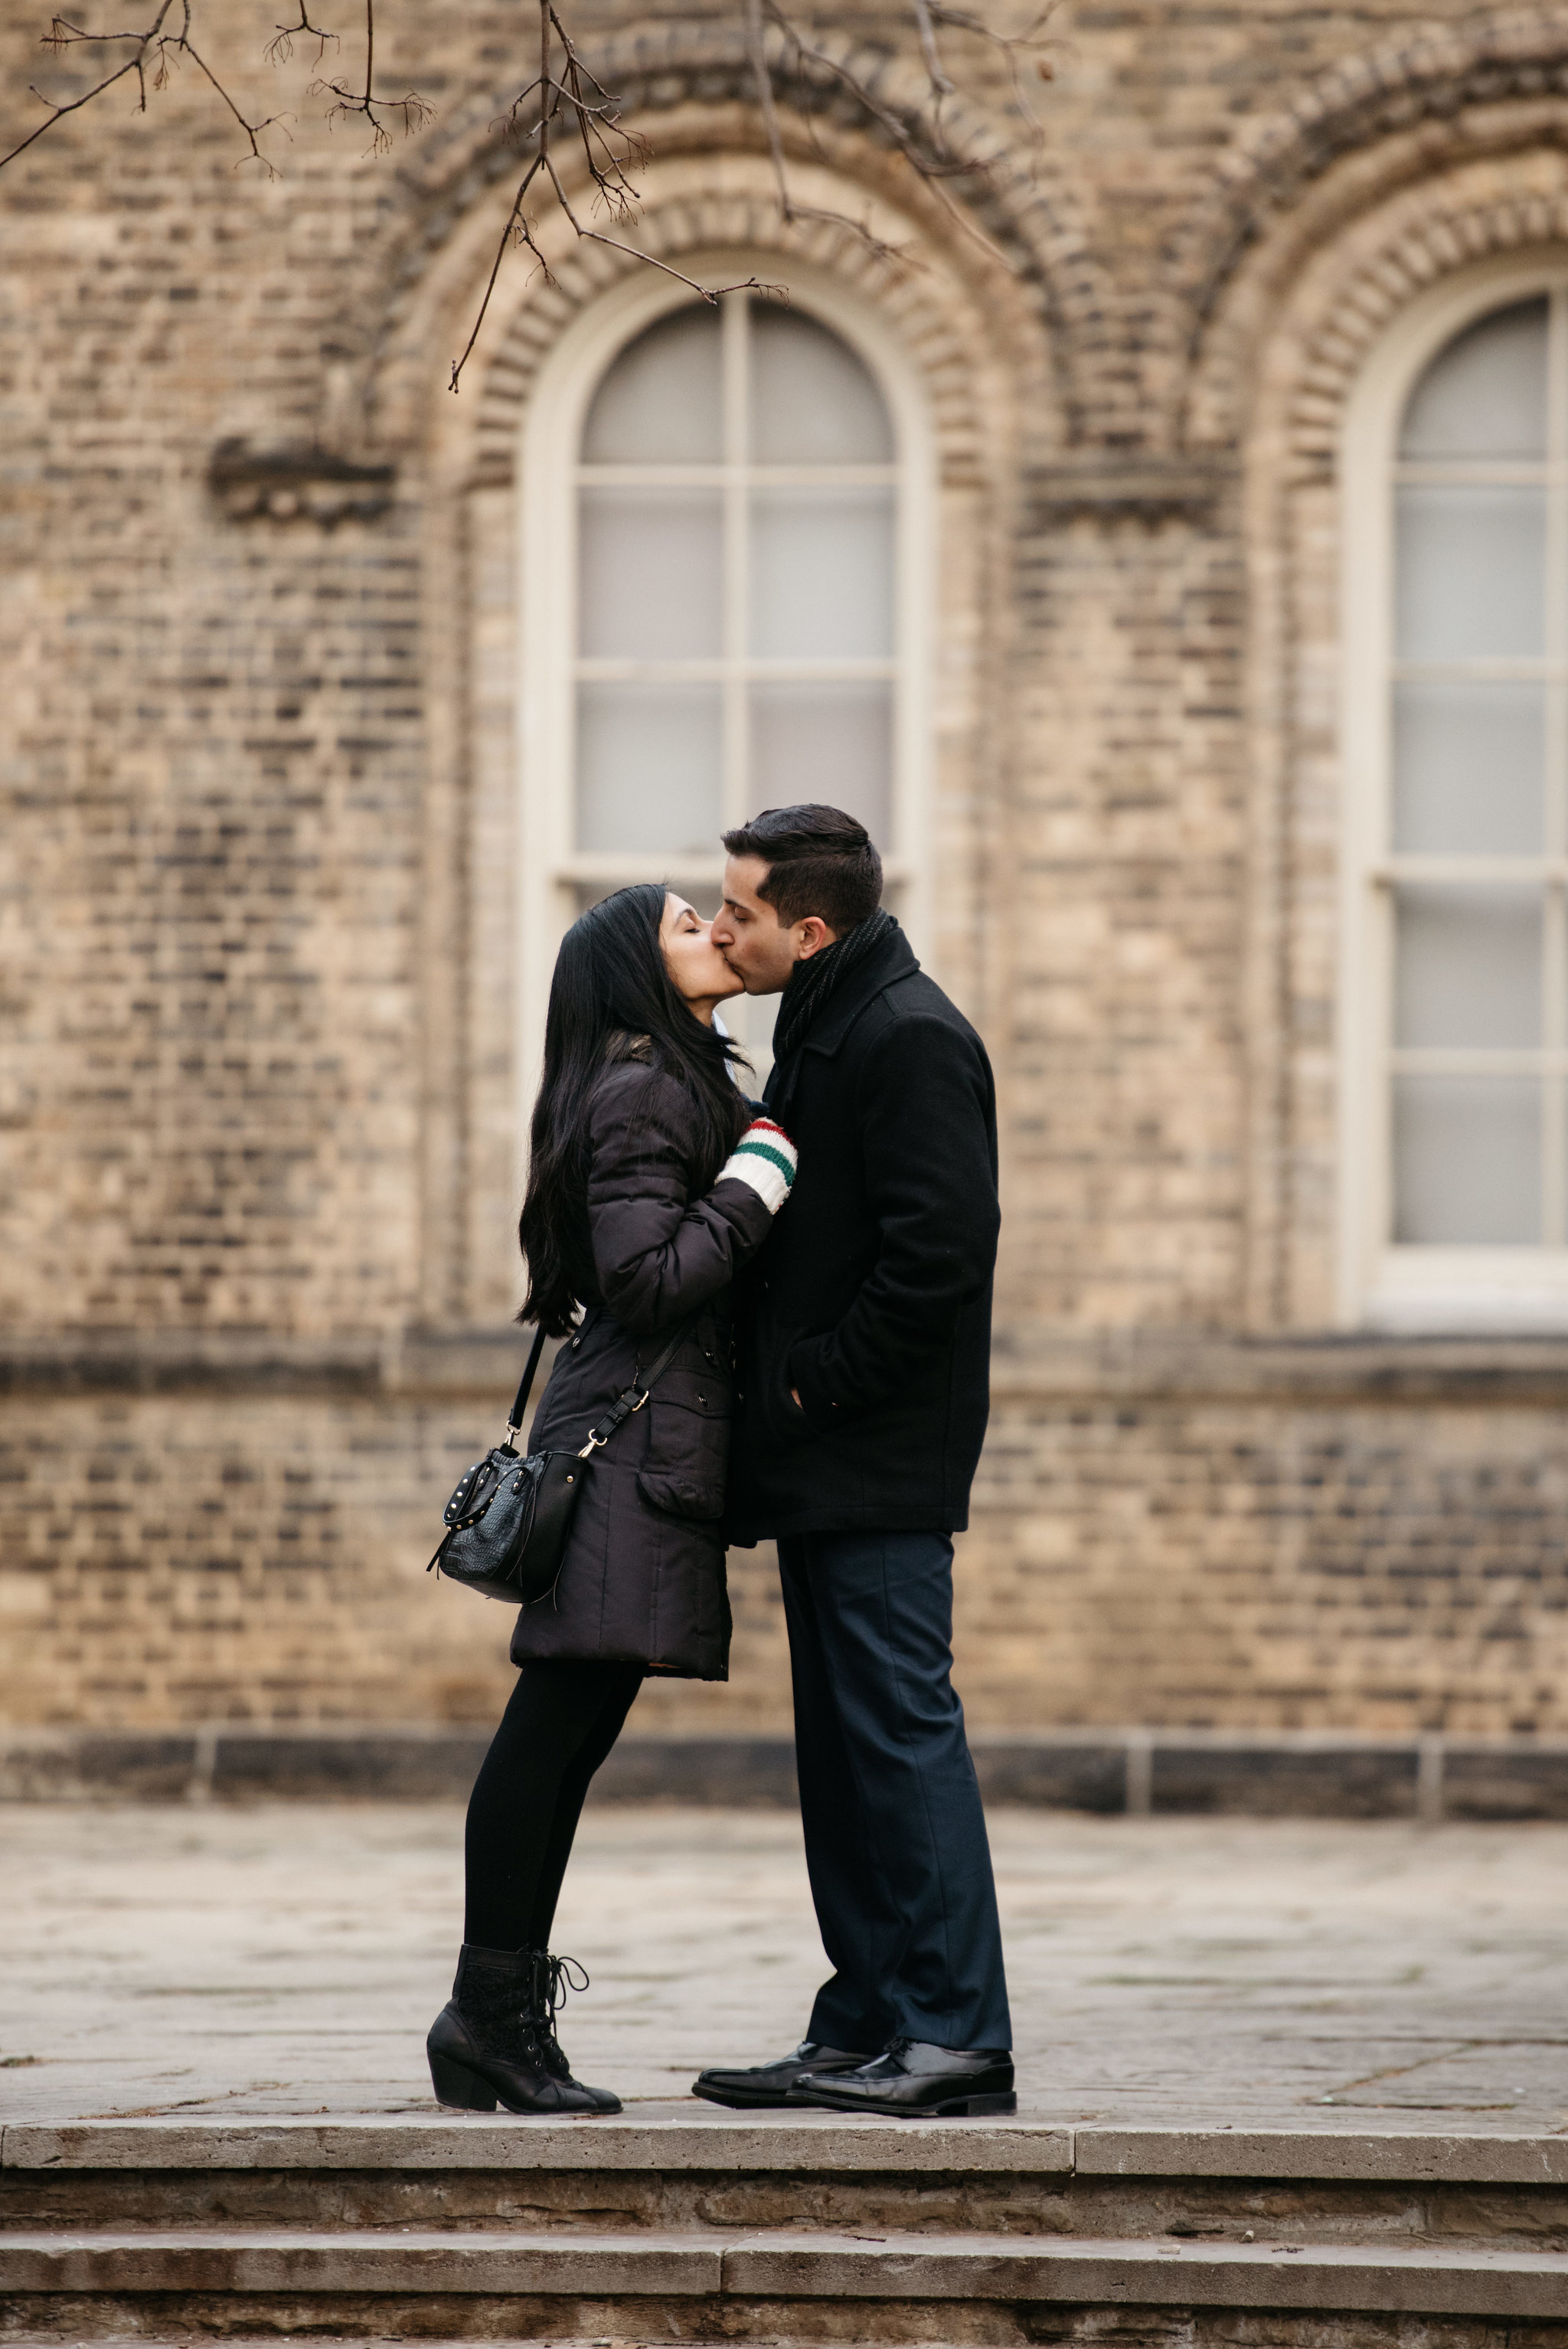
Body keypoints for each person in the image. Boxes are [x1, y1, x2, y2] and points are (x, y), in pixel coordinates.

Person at [426, 884, 797, 2117]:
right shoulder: (646, 1085)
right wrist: (759, 1174)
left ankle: (493, 2018)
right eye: (688, 926)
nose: (717, 934)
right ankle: (487, 2019)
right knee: (554, 1731)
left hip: (636, 1436)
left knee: (569, 1732)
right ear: (639, 977)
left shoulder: (668, 1073)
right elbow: (646, 1281)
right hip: (624, 1445)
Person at [694, 804, 1013, 2119]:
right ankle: (869, 2018)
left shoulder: (911, 1036)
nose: (722, 929)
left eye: (742, 913)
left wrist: (812, 1378)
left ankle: (952, 2035)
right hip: (823, 1458)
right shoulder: (831, 1028)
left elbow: (940, 1257)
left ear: (808, 928)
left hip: (874, 1453)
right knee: (843, 1750)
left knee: (899, 1736)